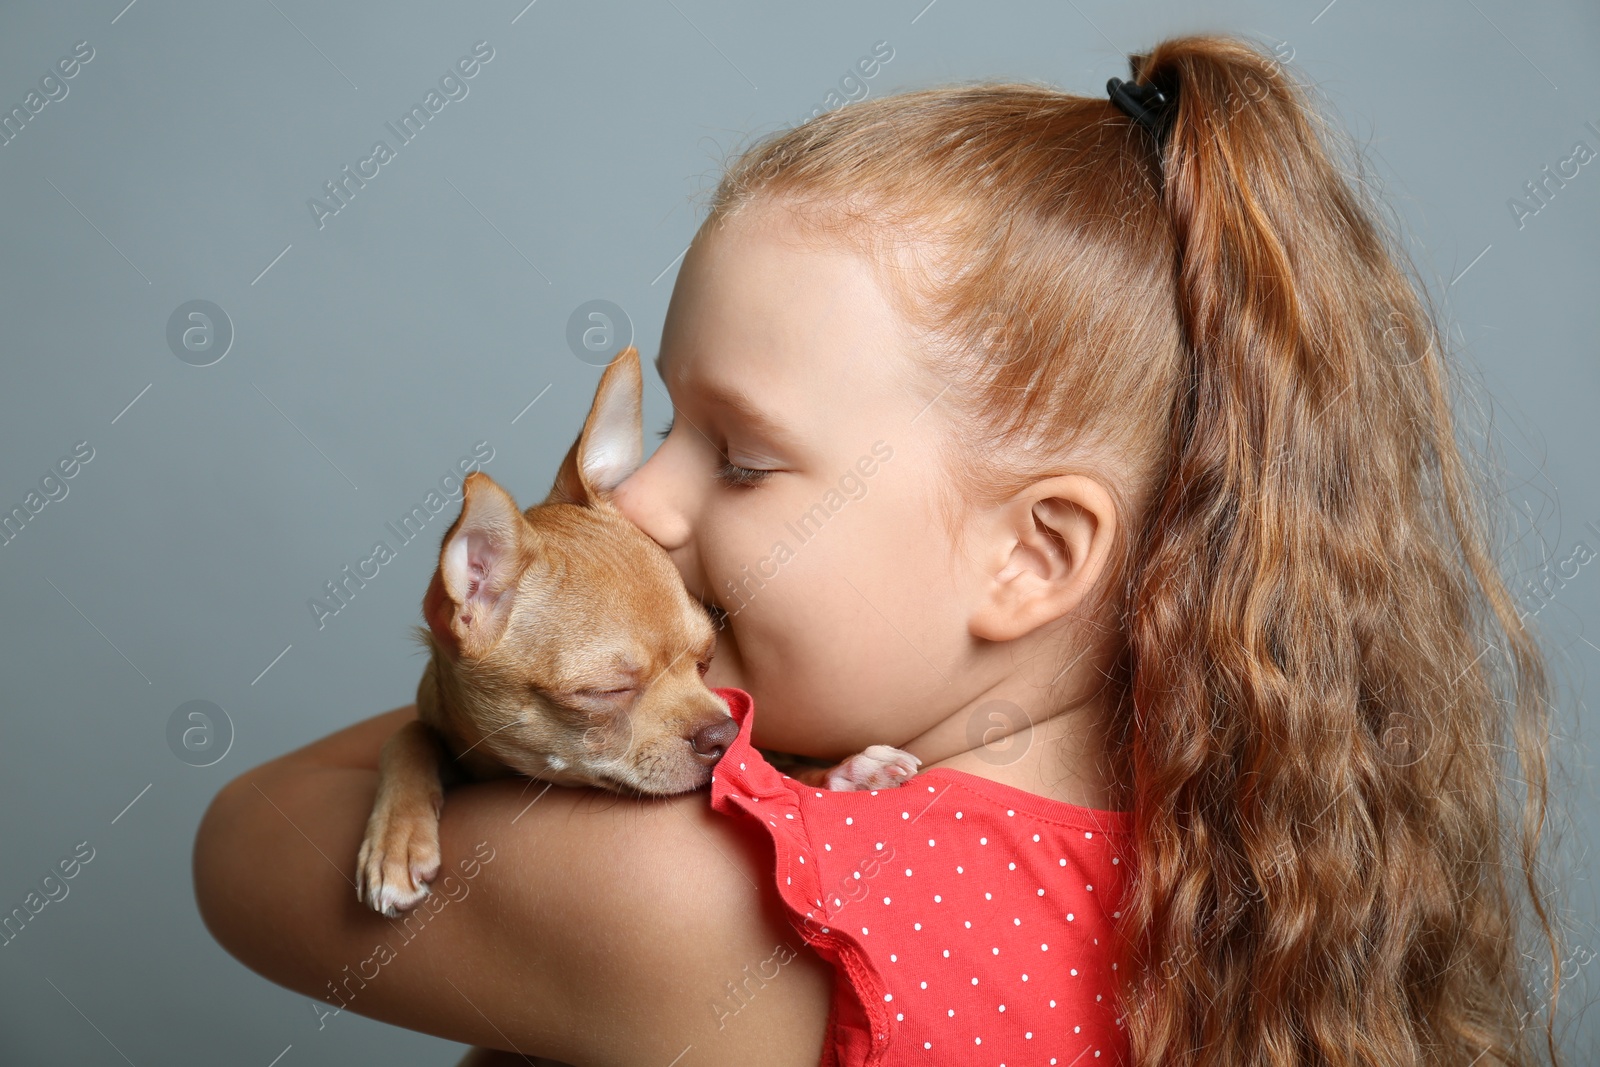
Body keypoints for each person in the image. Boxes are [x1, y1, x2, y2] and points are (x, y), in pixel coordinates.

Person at [193, 32, 1569, 1067]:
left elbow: (245, 846)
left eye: (736, 457)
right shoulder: (1240, 896)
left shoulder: (721, 909)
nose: (639, 505)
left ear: (1033, 560)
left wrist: (564, 617)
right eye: (663, 427)